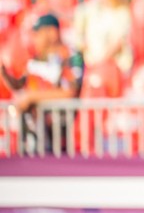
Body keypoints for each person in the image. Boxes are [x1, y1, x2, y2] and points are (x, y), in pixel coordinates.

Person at [0, 13, 84, 154]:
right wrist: (4, 73)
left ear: (52, 32)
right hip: (33, 139)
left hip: (60, 137)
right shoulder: (36, 59)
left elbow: (69, 91)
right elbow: (20, 85)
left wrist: (32, 97)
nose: (34, 39)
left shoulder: (71, 55)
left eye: (38, 34)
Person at [72, 0, 133, 75]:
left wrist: (99, 66)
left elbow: (116, 45)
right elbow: (77, 18)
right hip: (92, 66)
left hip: (112, 69)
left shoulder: (122, 14)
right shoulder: (94, 10)